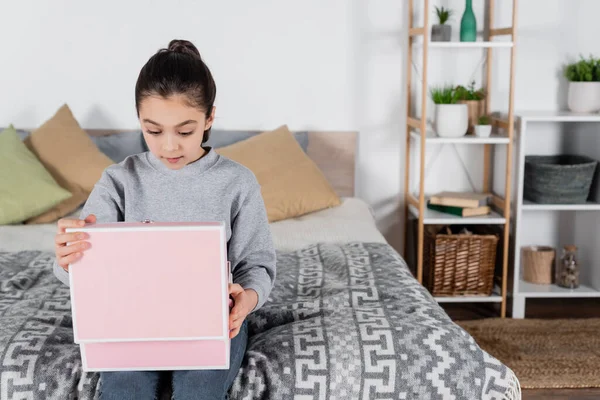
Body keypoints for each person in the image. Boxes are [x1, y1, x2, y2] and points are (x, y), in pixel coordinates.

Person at [52, 39, 277, 400]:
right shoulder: (118, 180)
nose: (169, 146)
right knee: (126, 388)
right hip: (130, 321)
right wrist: (68, 258)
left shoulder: (237, 182)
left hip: (210, 320)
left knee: (198, 389)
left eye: (185, 131)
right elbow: (79, 271)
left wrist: (245, 301)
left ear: (210, 118)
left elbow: (257, 265)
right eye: (153, 130)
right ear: (139, 120)